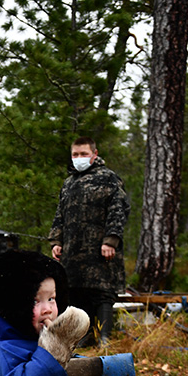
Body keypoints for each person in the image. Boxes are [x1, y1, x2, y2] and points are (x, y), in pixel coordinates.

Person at [49, 136, 130, 346]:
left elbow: (118, 210)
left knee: (102, 292)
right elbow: (60, 215)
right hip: (73, 250)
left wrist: (110, 241)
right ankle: (84, 336)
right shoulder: (69, 183)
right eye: (75, 155)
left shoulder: (109, 178)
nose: (79, 158)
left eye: (84, 154)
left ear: (94, 154)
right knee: (76, 292)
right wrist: (56, 241)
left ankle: (105, 338)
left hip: (100, 248)